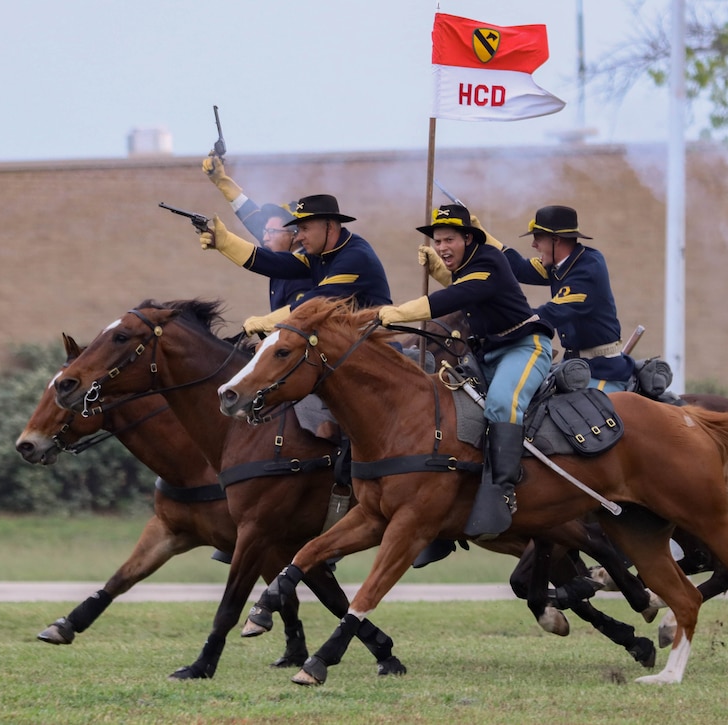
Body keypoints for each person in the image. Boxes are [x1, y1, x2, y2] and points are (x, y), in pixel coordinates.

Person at [377, 204, 554, 539]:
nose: (442, 246)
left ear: (469, 238)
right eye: (438, 241)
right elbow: (464, 287)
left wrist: (396, 313)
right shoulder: (470, 266)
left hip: (524, 348)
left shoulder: (489, 260)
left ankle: (502, 490)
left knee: (502, 404)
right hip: (487, 355)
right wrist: (441, 270)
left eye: (449, 239)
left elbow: (454, 297)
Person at [200, 193, 392, 335]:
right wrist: (225, 243)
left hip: (378, 353)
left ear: (330, 227)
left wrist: (266, 321)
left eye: (304, 229)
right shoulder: (320, 254)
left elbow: (315, 301)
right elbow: (274, 263)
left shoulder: (355, 258)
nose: (298, 237)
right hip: (348, 350)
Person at [501, 206, 635, 392]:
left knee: (590, 417)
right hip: (574, 366)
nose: (534, 245)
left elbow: (549, 313)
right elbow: (519, 268)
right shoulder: (563, 264)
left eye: (538, 238)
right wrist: (481, 241)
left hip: (603, 370)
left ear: (556, 240)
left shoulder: (587, 268)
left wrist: (499, 319)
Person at [202, 154, 311, 310]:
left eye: (271, 231)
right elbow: (252, 217)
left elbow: (297, 323)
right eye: (265, 231)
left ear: (295, 235)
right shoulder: (282, 247)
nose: (264, 236)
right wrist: (222, 182)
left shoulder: (301, 273)